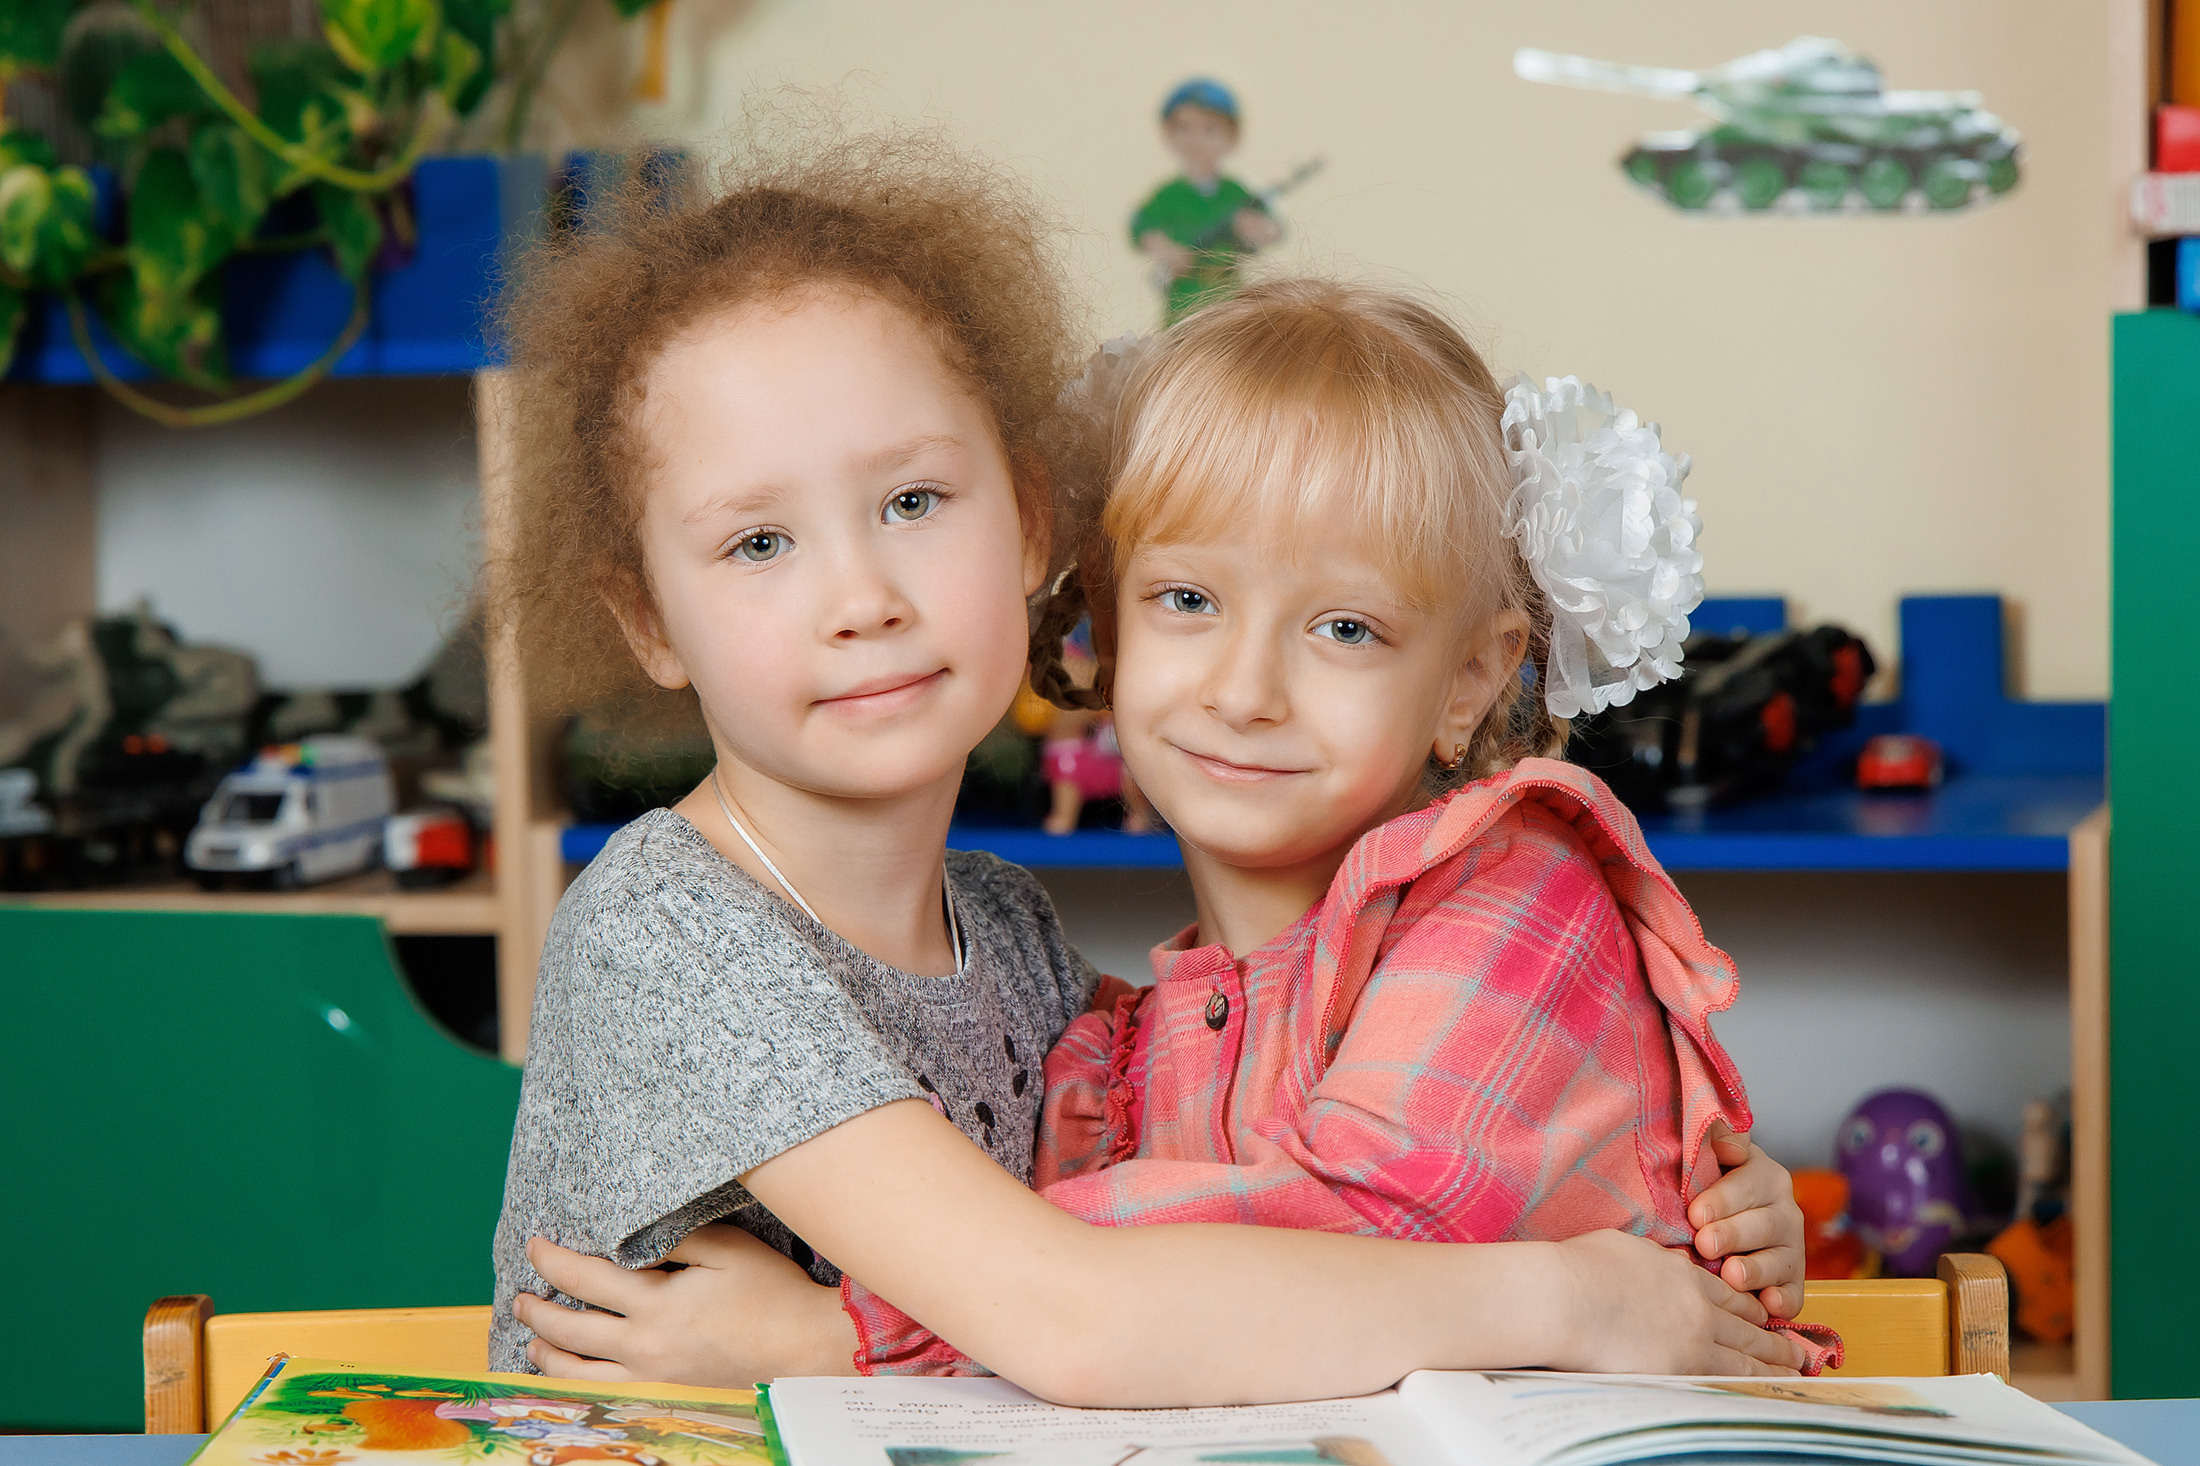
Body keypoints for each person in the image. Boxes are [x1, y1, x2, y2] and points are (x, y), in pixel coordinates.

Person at [492, 125, 1808, 1408]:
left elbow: (1203, 1258)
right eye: (758, 544)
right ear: (651, 619)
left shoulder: (1009, 938)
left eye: (911, 502)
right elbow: (1072, 1307)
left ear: (1030, 525)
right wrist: (1580, 1292)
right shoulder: (669, 928)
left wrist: (1680, 1202)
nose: (861, 596)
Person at [1132, 78, 1282, 324]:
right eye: (1184, 128)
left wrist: (1253, 228)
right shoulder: (1169, 194)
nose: (1196, 140)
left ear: (1231, 137)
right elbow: (1141, 226)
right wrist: (1165, 250)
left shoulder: (1235, 192)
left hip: (1226, 289)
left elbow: (1271, 228)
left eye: (1210, 130)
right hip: (1185, 292)